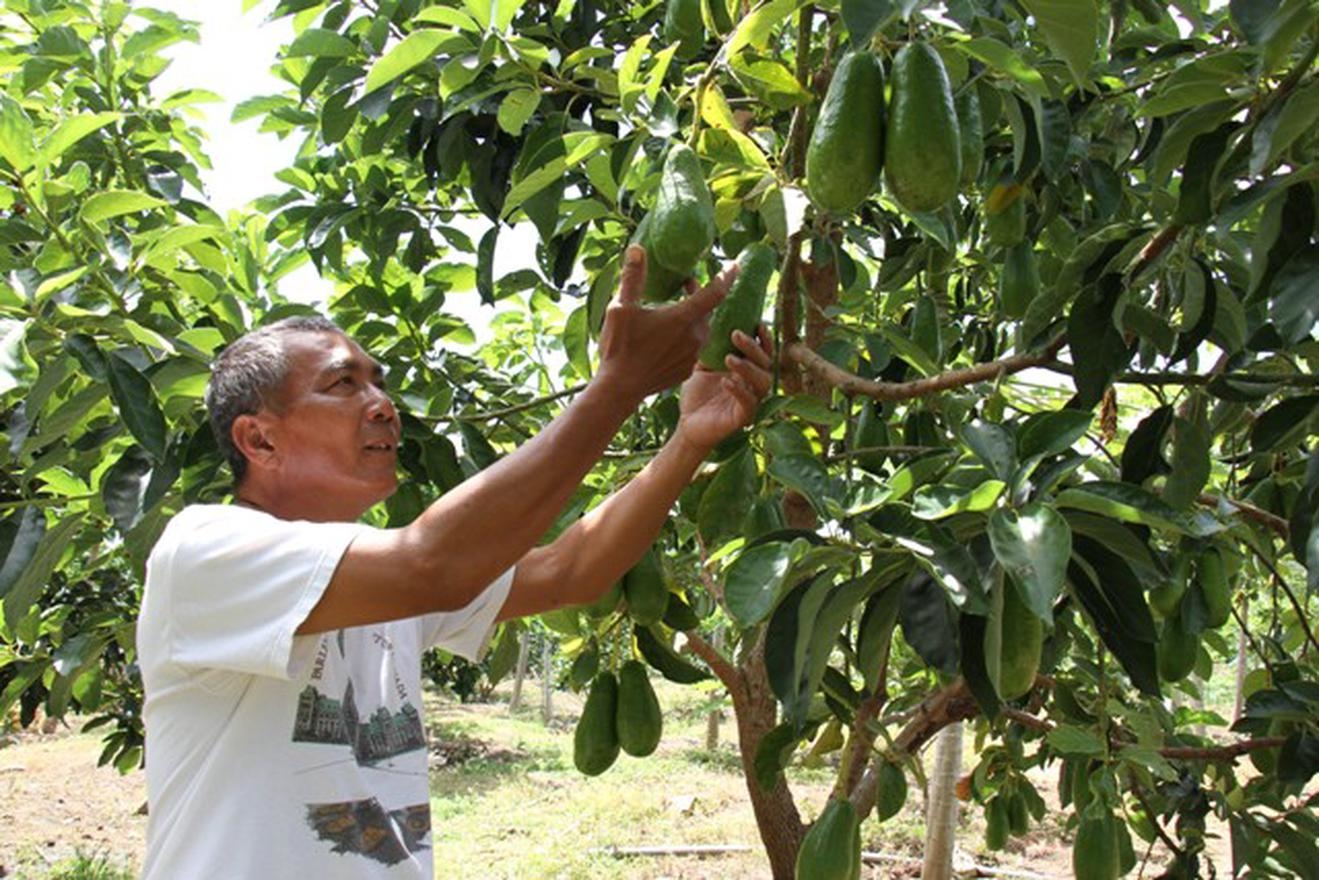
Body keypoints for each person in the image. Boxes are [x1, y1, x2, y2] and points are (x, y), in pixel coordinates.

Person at [135, 245, 774, 879]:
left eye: (378, 382)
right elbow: (433, 562)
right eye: (342, 384)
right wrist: (619, 385)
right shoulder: (205, 549)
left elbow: (568, 571)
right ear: (260, 439)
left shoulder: (374, 583)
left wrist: (689, 440)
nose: (383, 404)